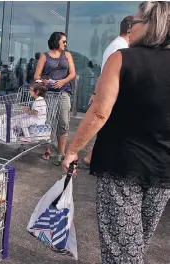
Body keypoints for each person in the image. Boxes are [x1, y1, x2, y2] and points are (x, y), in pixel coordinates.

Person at [63, 2, 170, 263]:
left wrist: (73, 150)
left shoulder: (122, 59)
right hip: (163, 170)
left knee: (122, 251)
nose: (130, 27)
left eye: (135, 21)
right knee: (137, 244)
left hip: (122, 165)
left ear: (149, 25)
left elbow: (99, 112)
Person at [81, 15, 134, 168]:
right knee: (106, 126)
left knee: (107, 127)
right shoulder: (120, 48)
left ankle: (91, 158)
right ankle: (90, 159)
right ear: (130, 28)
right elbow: (109, 74)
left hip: (110, 92)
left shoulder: (117, 45)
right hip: (113, 93)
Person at [34, 31, 76, 162]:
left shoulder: (67, 55)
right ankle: (48, 150)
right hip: (49, 93)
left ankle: (61, 152)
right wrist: (43, 81)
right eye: (63, 41)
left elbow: (73, 73)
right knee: (49, 121)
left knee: (63, 122)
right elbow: (36, 76)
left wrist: (63, 81)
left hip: (63, 92)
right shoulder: (45, 56)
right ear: (56, 41)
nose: (65, 43)